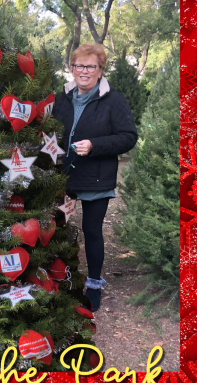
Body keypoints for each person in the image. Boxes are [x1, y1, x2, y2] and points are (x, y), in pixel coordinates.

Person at [52, 43, 138, 312]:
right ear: (71, 68)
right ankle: (58, 278)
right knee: (55, 229)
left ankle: (94, 284)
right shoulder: (60, 99)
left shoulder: (114, 101)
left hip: (95, 177)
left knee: (91, 231)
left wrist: (95, 146)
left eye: (91, 66)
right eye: (79, 65)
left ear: (100, 70)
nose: (84, 71)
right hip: (61, 176)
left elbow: (128, 137)